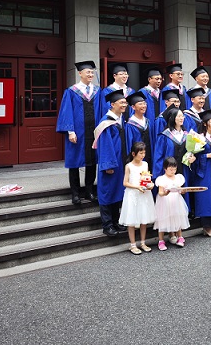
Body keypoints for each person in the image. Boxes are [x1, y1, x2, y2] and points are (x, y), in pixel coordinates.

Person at [56, 60, 101, 206]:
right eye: (88, 72)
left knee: (92, 162)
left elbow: (101, 111)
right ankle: (75, 194)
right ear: (80, 73)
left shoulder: (97, 91)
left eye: (92, 72)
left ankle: (89, 191)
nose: (90, 74)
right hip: (78, 133)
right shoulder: (71, 91)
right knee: (74, 162)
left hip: (93, 133)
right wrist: (70, 131)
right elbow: (66, 112)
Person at [93, 89, 128, 236]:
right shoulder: (106, 122)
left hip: (120, 163)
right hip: (110, 165)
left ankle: (115, 222)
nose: (124, 105)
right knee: (107, 193)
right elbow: (105, 146)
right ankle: (107, 225)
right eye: (121, 102)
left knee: (117, 192)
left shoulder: (120, 119)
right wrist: (108, 165)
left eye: (125, 102)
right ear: (112, 104)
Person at [191, 109, 211, 237]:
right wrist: (207, 156)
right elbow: (194, 157)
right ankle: (206, 226)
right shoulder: (199, 138)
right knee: (206, 197)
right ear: (204, 123)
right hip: (205, 171)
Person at [120, 141, 156, 254]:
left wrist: (151, 184)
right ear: (133, 153)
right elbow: (125, 183)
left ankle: (143, 242)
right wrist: (137, 187)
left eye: (144, 153)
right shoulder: (129, 166)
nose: (143, 155)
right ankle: (133, 245)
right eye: (140, 153)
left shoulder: (145, 164)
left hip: (144, 193)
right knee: (131, 220)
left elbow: (147, 178)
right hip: (133, 194)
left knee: (143, 219)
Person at [154, 157, 190, 250]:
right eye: (170, 169)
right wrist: (165, 193)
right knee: (162, 220)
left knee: (177, 217)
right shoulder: (161, 179)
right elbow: (160, 193)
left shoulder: (178, 178)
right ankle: (161, 241)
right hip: (164, 202)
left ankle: (180, 237)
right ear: (165, 168)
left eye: (174, 169)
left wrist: (183, 191)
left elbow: (180, 190)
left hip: (176, 201)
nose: (173, 171)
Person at [125, 92, 152, 166]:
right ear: (133, 107)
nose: (143, 106)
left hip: (148, 156)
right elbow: (129, 144)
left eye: (144, 103)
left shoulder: (147, 122)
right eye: (140, 104)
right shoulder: (130, 124)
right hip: (136, 160)